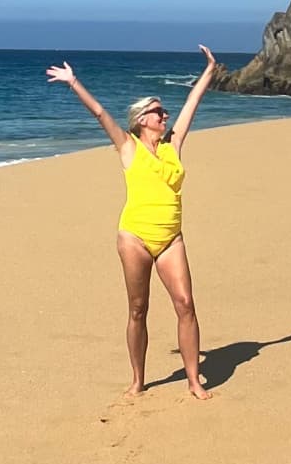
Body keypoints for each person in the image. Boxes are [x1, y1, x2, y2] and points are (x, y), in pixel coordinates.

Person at [46, 48, 219, 400]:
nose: (165, 115)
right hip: (135, 237)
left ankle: (193, 380)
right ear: (142, 119)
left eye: (164, 111)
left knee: (185, 304)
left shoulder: (174, 144)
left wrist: (210, 71)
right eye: (158, 112)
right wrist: (73, 81)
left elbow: (192, 104)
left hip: (171, 238)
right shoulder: (128, 147)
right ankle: (138, 379)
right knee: (138, 308)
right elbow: (99, 113)